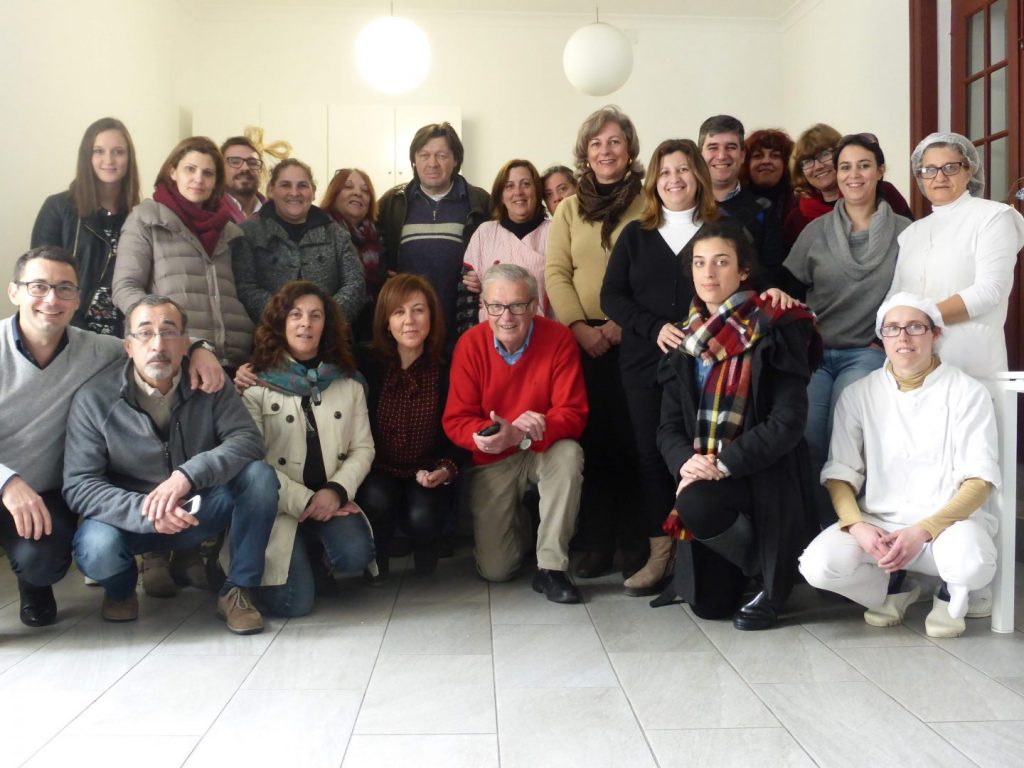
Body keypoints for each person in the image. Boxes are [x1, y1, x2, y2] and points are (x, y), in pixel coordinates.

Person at [0, 247, 223, 628]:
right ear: (14, 292)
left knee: (43, 563)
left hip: (44, 492)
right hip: (8, 481)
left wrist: (202, 349)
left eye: (64, 289)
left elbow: (156, 339)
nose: (51, 299)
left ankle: (33, 583)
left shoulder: (96, 349)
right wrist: (6, 481)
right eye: (38, 286)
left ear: (77, 300)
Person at [65, 296, 277, 634]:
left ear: (185, 343)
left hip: (196, 509)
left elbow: (247, 440)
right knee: (96, 548)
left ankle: (237, 589)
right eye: (145, 333)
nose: (158, 345)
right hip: (130, 519)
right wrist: (146, 511)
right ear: (128, 346)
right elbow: (80, 484)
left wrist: (187, 475)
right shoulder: (94, 398)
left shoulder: (210, 383)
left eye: (168, 332)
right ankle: (121, 591)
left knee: (259, 477)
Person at [800, 293, 999, 638]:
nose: (903, 337)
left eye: (915, 327)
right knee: (818, 566)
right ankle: (895, 584)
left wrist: (923, 530)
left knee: (972, 563)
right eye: (892, 328)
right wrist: (856, 525)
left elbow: (979, 481)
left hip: (948, 526)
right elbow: (840, 474)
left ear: (935, 334)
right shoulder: (858, 394)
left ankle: (951, 593)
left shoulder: (967, 392)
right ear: (882, 337)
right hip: (880, 524)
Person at [655, 222, 819, 630]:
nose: (708, 273)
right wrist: (686, 463)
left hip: (765, 474)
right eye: (699, 263)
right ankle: (758, 568)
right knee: (710, 608)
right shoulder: (685, 339)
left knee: (695, 501)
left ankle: (774, 575)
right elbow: (668, 426)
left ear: (744, 270)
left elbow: (787, 422)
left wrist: (722, 463)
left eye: (721, 262)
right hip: (712, 480)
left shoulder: (775, 325)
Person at [600, 138, 719, 596]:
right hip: (644, 364)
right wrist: (654, 327)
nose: (674, 179)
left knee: (701, 456)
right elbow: (611, 296)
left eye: (683, 169)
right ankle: (661, 554)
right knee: (651, 458)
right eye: (665, 171)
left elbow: (746, 287)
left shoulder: (721, 230)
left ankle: (702, 555)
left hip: (706, 365)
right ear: (654, 181)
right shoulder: (636, 234)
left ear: (699, 177)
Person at [784, 134, 912, 526]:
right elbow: (789, 291)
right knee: (808, 435)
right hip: (817, 352)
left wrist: (885, 341)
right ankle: (820, 527)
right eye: (845, 167)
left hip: (867, 351)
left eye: (864, 165)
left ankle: (852, 528)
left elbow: (914, 295)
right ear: (836, 175)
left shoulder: (906, 233)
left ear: (881, 171)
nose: (854, 175)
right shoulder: (815, 231)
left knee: (846, 436)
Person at [443, 264, 588, 603]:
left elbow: (573, 413)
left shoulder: (559, 339)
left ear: (534, 306)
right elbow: (456, 419)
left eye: (517, 306)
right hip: (494, 456)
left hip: (543, 447)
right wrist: (487, 435)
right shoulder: (470, 344)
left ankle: (551, 567)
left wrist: (521, 433)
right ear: (484, 306)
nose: (506, 317)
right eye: (496, 306)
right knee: (496, 570)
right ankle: (524, 523)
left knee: (570, 454)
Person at [545, 105, 646, 579]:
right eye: (596, 143)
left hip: (636, 337)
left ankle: (635, 541)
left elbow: (655, 273)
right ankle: (596, 541)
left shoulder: (649, 202)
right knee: (592, 441)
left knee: (634, 440)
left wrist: (621, 323)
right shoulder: (568, 208)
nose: (605, 151)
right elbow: (556, 273)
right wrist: (579, 328)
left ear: (629, 150)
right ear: (585, 153)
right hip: (581, 342)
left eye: (615, 142)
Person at [240, 281, 376, 617]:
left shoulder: (348, 382)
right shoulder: (255, 385)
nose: (306, 323)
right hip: (280, 505)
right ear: (281, 323)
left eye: (316, 316)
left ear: (326, 325)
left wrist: (335, 491)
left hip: (329, 499)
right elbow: (252, 463)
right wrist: (305, 501)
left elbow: (363, 448)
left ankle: (313, 557)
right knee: (294, 605)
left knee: (355, 555)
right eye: (296, 315)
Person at [890, 131, 1024, 378]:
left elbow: (989, 291)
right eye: (929, 169)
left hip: (973, 362)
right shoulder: (911, 233)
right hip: (914, 367)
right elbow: (897, 296)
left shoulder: (993, 217)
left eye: (950, 167)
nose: (939, 177)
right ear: (920, 176)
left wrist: (921, 318)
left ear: (968, 170)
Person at [113, 136, 254, 372]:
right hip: (174, 358)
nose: (199, 179)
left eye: (208, 173)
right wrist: (166, 332)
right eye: (190, 169)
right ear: (173, 172)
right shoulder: (146, 219)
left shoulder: (230, 232)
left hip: (235, 362)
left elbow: (243, 292)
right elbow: (124, 288)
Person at [356, 274, 461, 578]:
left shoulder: (448, 365)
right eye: (398, 312)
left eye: (418, 310)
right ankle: (377, 561)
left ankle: (426, 549)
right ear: (386, 322)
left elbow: (460, 425)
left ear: (432, 316)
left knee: (422, 516)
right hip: (378, 467)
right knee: (376, 499)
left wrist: (445, 469)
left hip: (427, 468)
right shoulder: (366, 362)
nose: (409, 321)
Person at [377, 122, 491, 339]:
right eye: (424, 155)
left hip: (463, 323)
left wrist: (486, 276)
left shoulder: (479, 201)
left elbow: (500, 253)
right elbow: (371, 249)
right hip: (409, 329)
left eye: (441, 155)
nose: (432, 163)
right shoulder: (393, 202)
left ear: (455, 160)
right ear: (414, 160)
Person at [31, 117, 141, 337]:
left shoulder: (139, 215)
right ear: (87, 157)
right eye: (98, 151)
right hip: (69, 331)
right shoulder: (59, 208)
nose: (109, 160)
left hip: (125, 337)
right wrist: (74, 328)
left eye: (118, 152)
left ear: (129, 158)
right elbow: (40, 277)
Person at [231, 158, 366, 326]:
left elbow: (355, 284)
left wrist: (322, 319)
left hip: (329, 336)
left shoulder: (336, 234)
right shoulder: (248, 233)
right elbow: (244, 286)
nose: (294, 193)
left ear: (313, 192)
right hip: (268, 335)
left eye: (302, 185)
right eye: (285, 185)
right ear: (271, 190)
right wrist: (283, 317)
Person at [460, 159, 550, 333]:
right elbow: (467, 296)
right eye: (509, 186)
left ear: (537, 191)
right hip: (491, 337)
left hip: (544, 335)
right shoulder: (485, 233)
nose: (518, 192)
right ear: (500, 195)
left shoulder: (554, 232)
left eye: (526, 184)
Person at [784, 123, 912, 246]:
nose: (818, 167)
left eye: (824, 155)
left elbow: (912, 240)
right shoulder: (796, 219)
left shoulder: (883, 192)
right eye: (807, 161)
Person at [698, 115, 787, 284]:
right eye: (713, 147)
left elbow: (772, 275)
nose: (722, 156)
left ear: (742, 155)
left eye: (731, 147)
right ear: (699, 155)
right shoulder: (686, 205)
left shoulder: (763, 208)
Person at [320, 168, 384, 343]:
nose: (357, 193)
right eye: (348, 187)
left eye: (365, 190)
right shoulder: (318, 232)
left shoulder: (378, 237)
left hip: (368, 334)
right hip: (327, 331)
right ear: (334, 195)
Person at [741, 128, 796, 226]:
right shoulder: (732, 203)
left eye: (775, 156)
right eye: (758, 156)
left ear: (787, 163)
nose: (766, 161)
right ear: (746, 163)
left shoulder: (799, 206)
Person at [220, 136, 266, 224]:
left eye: (253, 163)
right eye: (235, 162)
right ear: (221, 169)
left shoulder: (274, 213)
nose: (245, 168)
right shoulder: (209, 211)